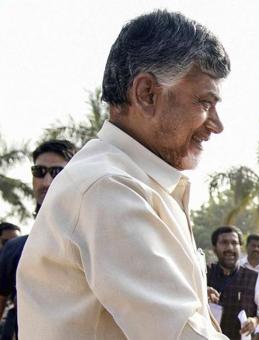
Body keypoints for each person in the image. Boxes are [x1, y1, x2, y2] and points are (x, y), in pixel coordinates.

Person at [17, 10, 231, 340]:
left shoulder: (135, 183)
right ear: (147, 94)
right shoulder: (108, 187)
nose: (216, 124)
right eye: (205, 102)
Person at [0, 140, 76, 340]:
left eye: (57, 172)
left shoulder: (92, 240)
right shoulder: (15, 249)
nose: (47, 182)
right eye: (39, 171)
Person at [207, 226, 259, 340]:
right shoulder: (203, 274)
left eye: (234, 243)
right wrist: (202, 291)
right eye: (224, 242)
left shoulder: (256, 278)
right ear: (214, 248)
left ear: (240, 247)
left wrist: (256, 321)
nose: (230, 248)